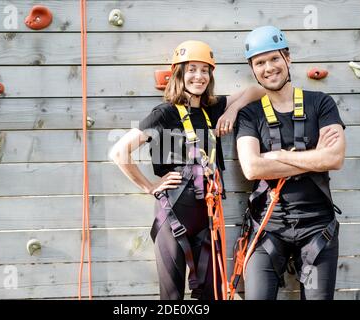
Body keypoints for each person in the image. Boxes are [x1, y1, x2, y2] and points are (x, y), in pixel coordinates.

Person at [110, 40, 264, 300]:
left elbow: (257, 90)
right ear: (179, 73)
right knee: (171, 297)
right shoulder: (164, 114)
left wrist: (233, 110)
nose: (199, 76)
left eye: (205, 70)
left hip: (208, 217)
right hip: (173, 216)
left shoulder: (211, 109)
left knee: (211, 294)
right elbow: (118, 152)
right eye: (192, 69)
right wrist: (149, 186)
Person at [235, 26, 346, 300]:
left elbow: (334, 158)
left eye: (274, 58)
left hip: (317, 229)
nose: (269, 68)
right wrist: (313, 157)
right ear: (253, 70)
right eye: (260, 63)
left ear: (288, 58)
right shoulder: (249, 115)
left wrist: (279, 156)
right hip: (267, 228)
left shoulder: (321, 104)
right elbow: (252, 168)